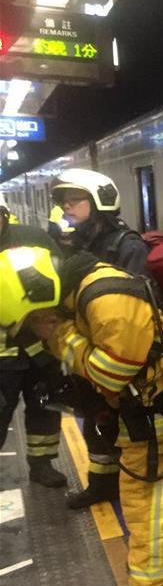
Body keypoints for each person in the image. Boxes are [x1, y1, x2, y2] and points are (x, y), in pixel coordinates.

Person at [0, 245, 163, 586]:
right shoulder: (79, 291)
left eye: (33, 321)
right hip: (158, 395)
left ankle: (154, 585)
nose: (36, 329)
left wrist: (62, 335)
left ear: (40, 299)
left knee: (144, 491)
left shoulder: (104, 301)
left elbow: (111, 372)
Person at [49, 169, 150, 509]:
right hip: (92, 354)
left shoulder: (128, 246)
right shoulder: (80, 243)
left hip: (120, 361)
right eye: (64, 202)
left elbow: (132, 317)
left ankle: (137, 489)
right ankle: (102, 485)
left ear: (99, 202)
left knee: (125, 431)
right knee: (95, 427)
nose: (66, 208)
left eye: (74, 201)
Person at [0, 203, 66, 487]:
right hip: (4, 353)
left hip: (42, 347)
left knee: (44, 405)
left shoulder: (33, 237)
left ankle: (42, 464)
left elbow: (61, 277)